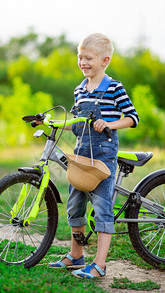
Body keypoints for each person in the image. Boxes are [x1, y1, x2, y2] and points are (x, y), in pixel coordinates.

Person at [48, 33, 139, 279]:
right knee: (74, 205)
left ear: (105, 60)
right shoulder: (80, 89)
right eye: (80, 57)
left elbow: (132, 118)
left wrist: (109, 123)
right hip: (81, 154)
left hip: (103, 155)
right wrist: (55, 124)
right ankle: (76, 255)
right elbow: (78, 123)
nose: (82, 62)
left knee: (102, 207)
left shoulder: (114, 87)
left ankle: (100, 264)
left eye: (88, 58)